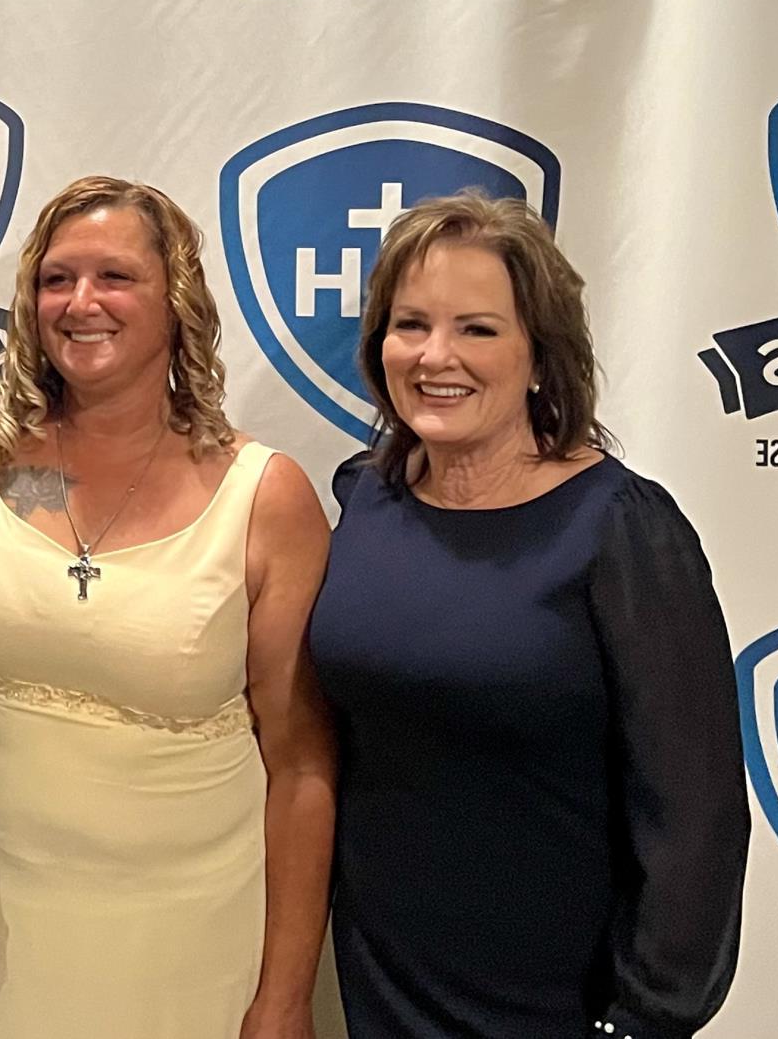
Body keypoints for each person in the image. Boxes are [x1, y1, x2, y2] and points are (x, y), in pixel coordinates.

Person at [308, 193, 749, 1037]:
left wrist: (643, 1019)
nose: (437, 356)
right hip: (381, 991)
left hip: (558, 1008)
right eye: (411, 324)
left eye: (478, 328)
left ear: (541, 356)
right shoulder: (363, 501)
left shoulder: (619, 527)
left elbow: (695, 813)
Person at [0, 176, 336, 1038]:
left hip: (187, 940)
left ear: (176, 300)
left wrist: (285, 995)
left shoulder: (265, 496)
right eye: (56, 278)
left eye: (116, 277)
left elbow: (300, 765)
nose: (80, 302)